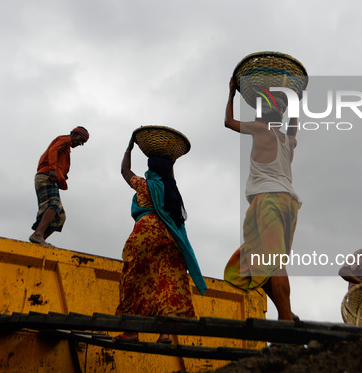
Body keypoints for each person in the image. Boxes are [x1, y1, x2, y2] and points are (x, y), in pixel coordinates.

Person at [223, 76, 301, 321]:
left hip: (268, 199)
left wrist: (232, 93)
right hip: (289, 203)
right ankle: (285, 311)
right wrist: (296, 100)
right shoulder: (289, 141)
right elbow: (294, 125)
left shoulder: (260, 129)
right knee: (265, 261)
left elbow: (228, 122)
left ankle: (285, 318)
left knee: (273, 262)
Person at [115, 135, 207, 344]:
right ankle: (165, 334)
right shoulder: (171, 189)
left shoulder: (144, 184)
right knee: (168, 282)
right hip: (169, 238)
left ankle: (130, 332)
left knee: (135, 280)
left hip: (145, 233)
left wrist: (129, 150)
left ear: (151, 169)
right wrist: (172, 161)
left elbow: (124, 171)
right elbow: (170, 176)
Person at [29, 126, 89, 246]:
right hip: (46, 175)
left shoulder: (67, 149)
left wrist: (61, 177)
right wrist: (52, 169)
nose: (80, 143)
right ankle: (38, 235)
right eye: (81, 139)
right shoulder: (65, 139)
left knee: (60, 216)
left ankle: (38, 241)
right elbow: (53, 151)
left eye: (83, 142)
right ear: (74, 134)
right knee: (54, 204)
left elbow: (60, 164)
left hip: (50, 177)